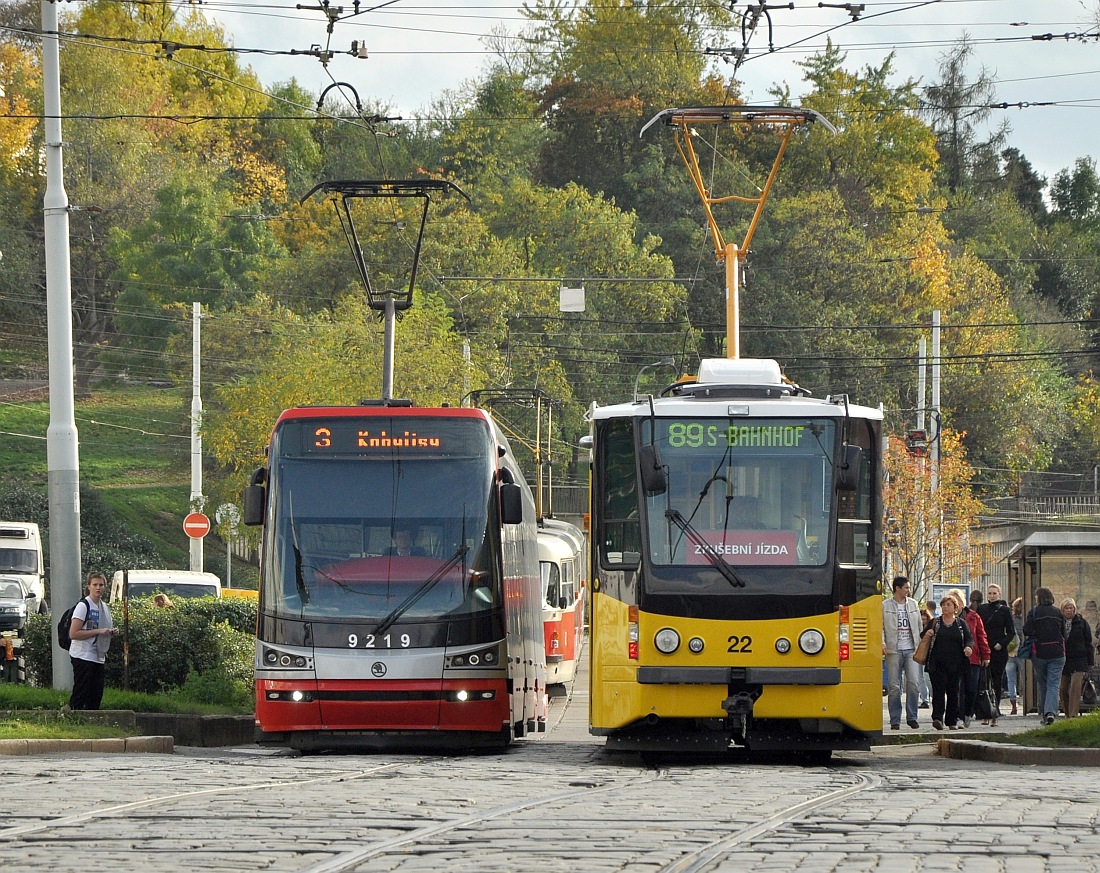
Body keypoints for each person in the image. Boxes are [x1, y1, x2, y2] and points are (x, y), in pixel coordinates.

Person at [922, 594, 974, 730]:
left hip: (956, 664)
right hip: (937, 664)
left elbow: (969, 639)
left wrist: (968, 647)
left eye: (948, 605)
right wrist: (927, 634)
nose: (945, 607)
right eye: (944, 605)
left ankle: (951, 721)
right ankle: (937, 718)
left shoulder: (960, 624)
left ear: (955, 608)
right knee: (938, 692)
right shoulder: (935, 622)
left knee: (953, 693)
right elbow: (923, 635)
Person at [67, 571, 118, 711]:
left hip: (98, 655)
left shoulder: (104, 607)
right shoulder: (83, 606)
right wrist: (98, 631)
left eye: (101, 585)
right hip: (82, 654)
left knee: (96, 694)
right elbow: (73, 633)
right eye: (95, 584)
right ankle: (71, 716)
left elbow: (103, 628)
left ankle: (91, 721)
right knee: (81, 692)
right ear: (88, 586)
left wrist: (109, 632)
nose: (98, 588)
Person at [882, 576, 923, 730]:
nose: (908, 590)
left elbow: (919, 626)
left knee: (913, 683)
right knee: (894, 686)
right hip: (893, 650)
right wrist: (882, 642)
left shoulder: (913, 604)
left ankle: (912, 717)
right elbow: (880, 626)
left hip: (912, 649)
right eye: (906, 587)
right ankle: (895, 720)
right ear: (898, 588)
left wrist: (921, 645)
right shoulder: (885, 605)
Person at [1023, 587, 1067, 725]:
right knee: (1054, 684)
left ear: (1039, 598)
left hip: (1040, 652)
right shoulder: (1058, 612)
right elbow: (1064, 634)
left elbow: (1027, 630)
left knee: (1043, 683)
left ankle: (1045, 713)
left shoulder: (1034, 612)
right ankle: (1050, 712)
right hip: (1058, 652)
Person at [977, 583, 1015, 727]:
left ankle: (995, 710)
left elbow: (1011, 632)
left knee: (997, 681)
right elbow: (978, 630)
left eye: (994, 593)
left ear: (999, 594)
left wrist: (1001, 644)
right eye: (990, 593)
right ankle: (984, 712)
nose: (992, 596)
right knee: (984, 681)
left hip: (999, 650)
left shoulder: (1004, 610)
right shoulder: (982, 609)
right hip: (985, 649)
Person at [952, 588, 990, 728]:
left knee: (971, 688)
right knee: (956, 689)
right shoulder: (946, 619)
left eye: (958, 601)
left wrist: (986, 655)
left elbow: (981, 636)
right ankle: (958, 716)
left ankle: (968, 712)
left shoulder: (973, 616)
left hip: (973, 658)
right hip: (953, 659)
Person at [1059, 598, 1095, 719]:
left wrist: (1090, 662)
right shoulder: (1059, 623)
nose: (1069, 611)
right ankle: (1067, 713)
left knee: (1075, 687)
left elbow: (1088, 643)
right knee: (1063, 688)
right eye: (1067, 608)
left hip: (1079, 659)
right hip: (1064, 659)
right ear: (1062, 610)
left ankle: (1073, 715)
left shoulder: (1081, 622)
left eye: (1071, 608)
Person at [1004, 597, 1026, 716]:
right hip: (1022, 652)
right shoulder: (1026, 620)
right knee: (1024, 678)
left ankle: (1013, 705)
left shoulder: (1011, 619)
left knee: (1011, 679)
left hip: (1011, 651)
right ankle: (1025, 700)